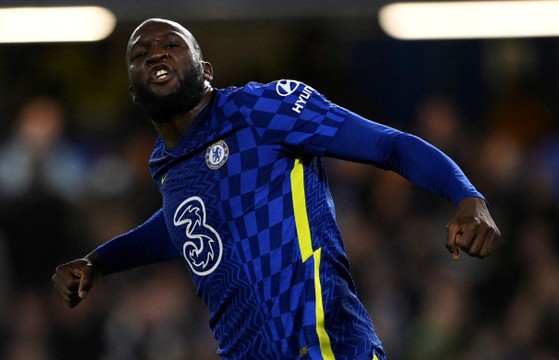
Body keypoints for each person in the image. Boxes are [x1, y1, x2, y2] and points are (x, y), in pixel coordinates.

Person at [52, 18, 500, 359]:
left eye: (171, 46)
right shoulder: (170, 167)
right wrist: (99, 261)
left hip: (323, 344)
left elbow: (389, 145)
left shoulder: (265, 108)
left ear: (205, 69)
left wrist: (466, 196)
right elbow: (182, 224)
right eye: (141, 53)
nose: (155, 55)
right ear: (132, 89)